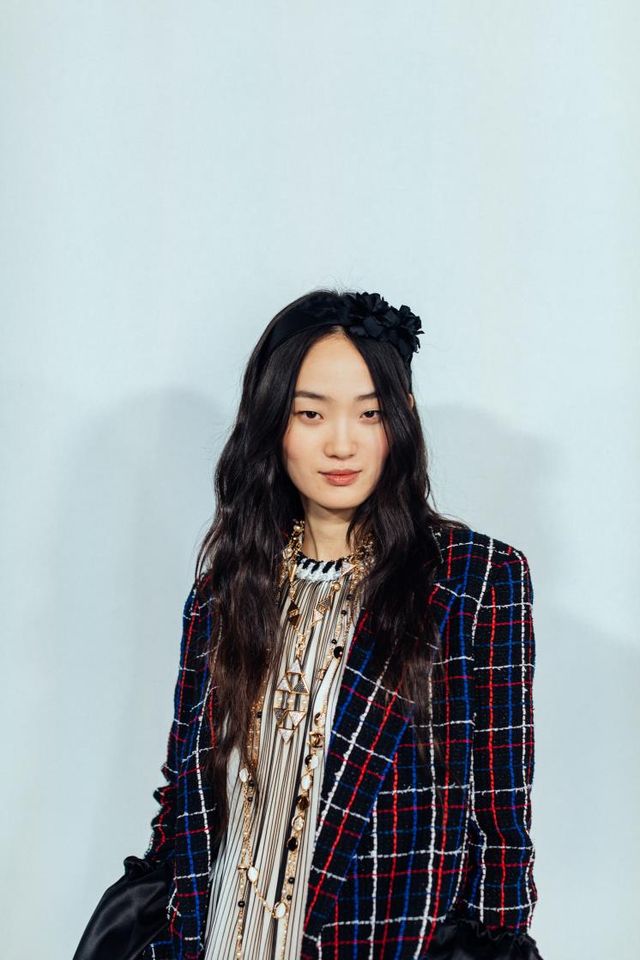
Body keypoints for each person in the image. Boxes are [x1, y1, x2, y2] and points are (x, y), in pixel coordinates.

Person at [138, 289, 544, 960]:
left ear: (402, 418)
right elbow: (185, 793)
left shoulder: (474, 579)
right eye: (311, 413)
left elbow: (503, 813)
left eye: (370, 412)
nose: (341, 443)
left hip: (383, 939)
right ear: (272, 421)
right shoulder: (224, 589)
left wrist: (498, 935)